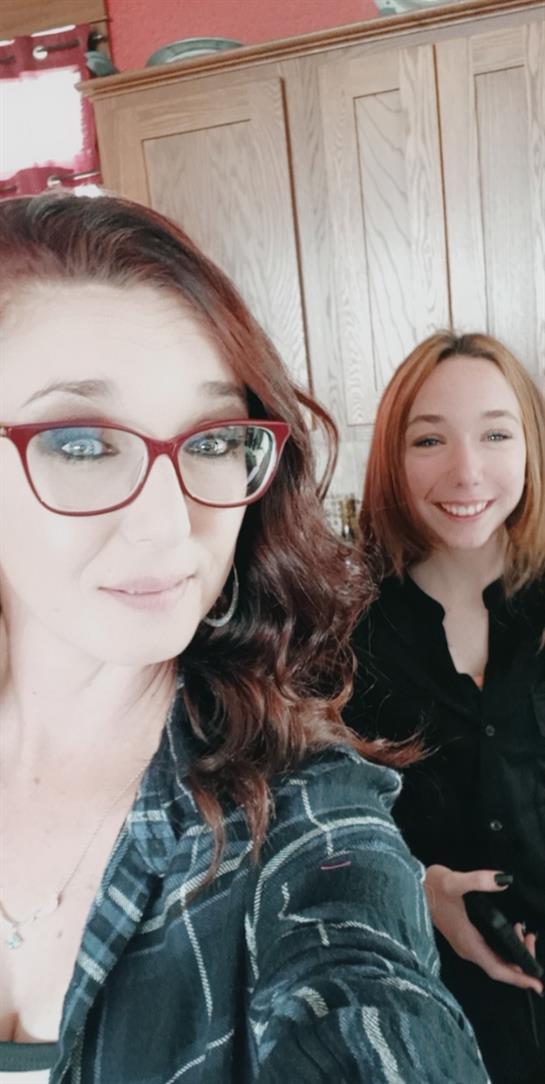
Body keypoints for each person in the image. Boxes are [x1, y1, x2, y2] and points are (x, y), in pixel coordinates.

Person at [0, 196, 489, 1084]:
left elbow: (361, 993)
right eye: (78, 442)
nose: (167, 523)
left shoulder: (305, 811)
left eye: (214, 438)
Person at [345, 331, 545, 1084]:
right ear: (392, 459)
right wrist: (416, 886)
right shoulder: (338, 634)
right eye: (429, 439)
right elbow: (312, 836)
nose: (466, 472)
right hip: (431, 1024)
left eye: (495, 433)